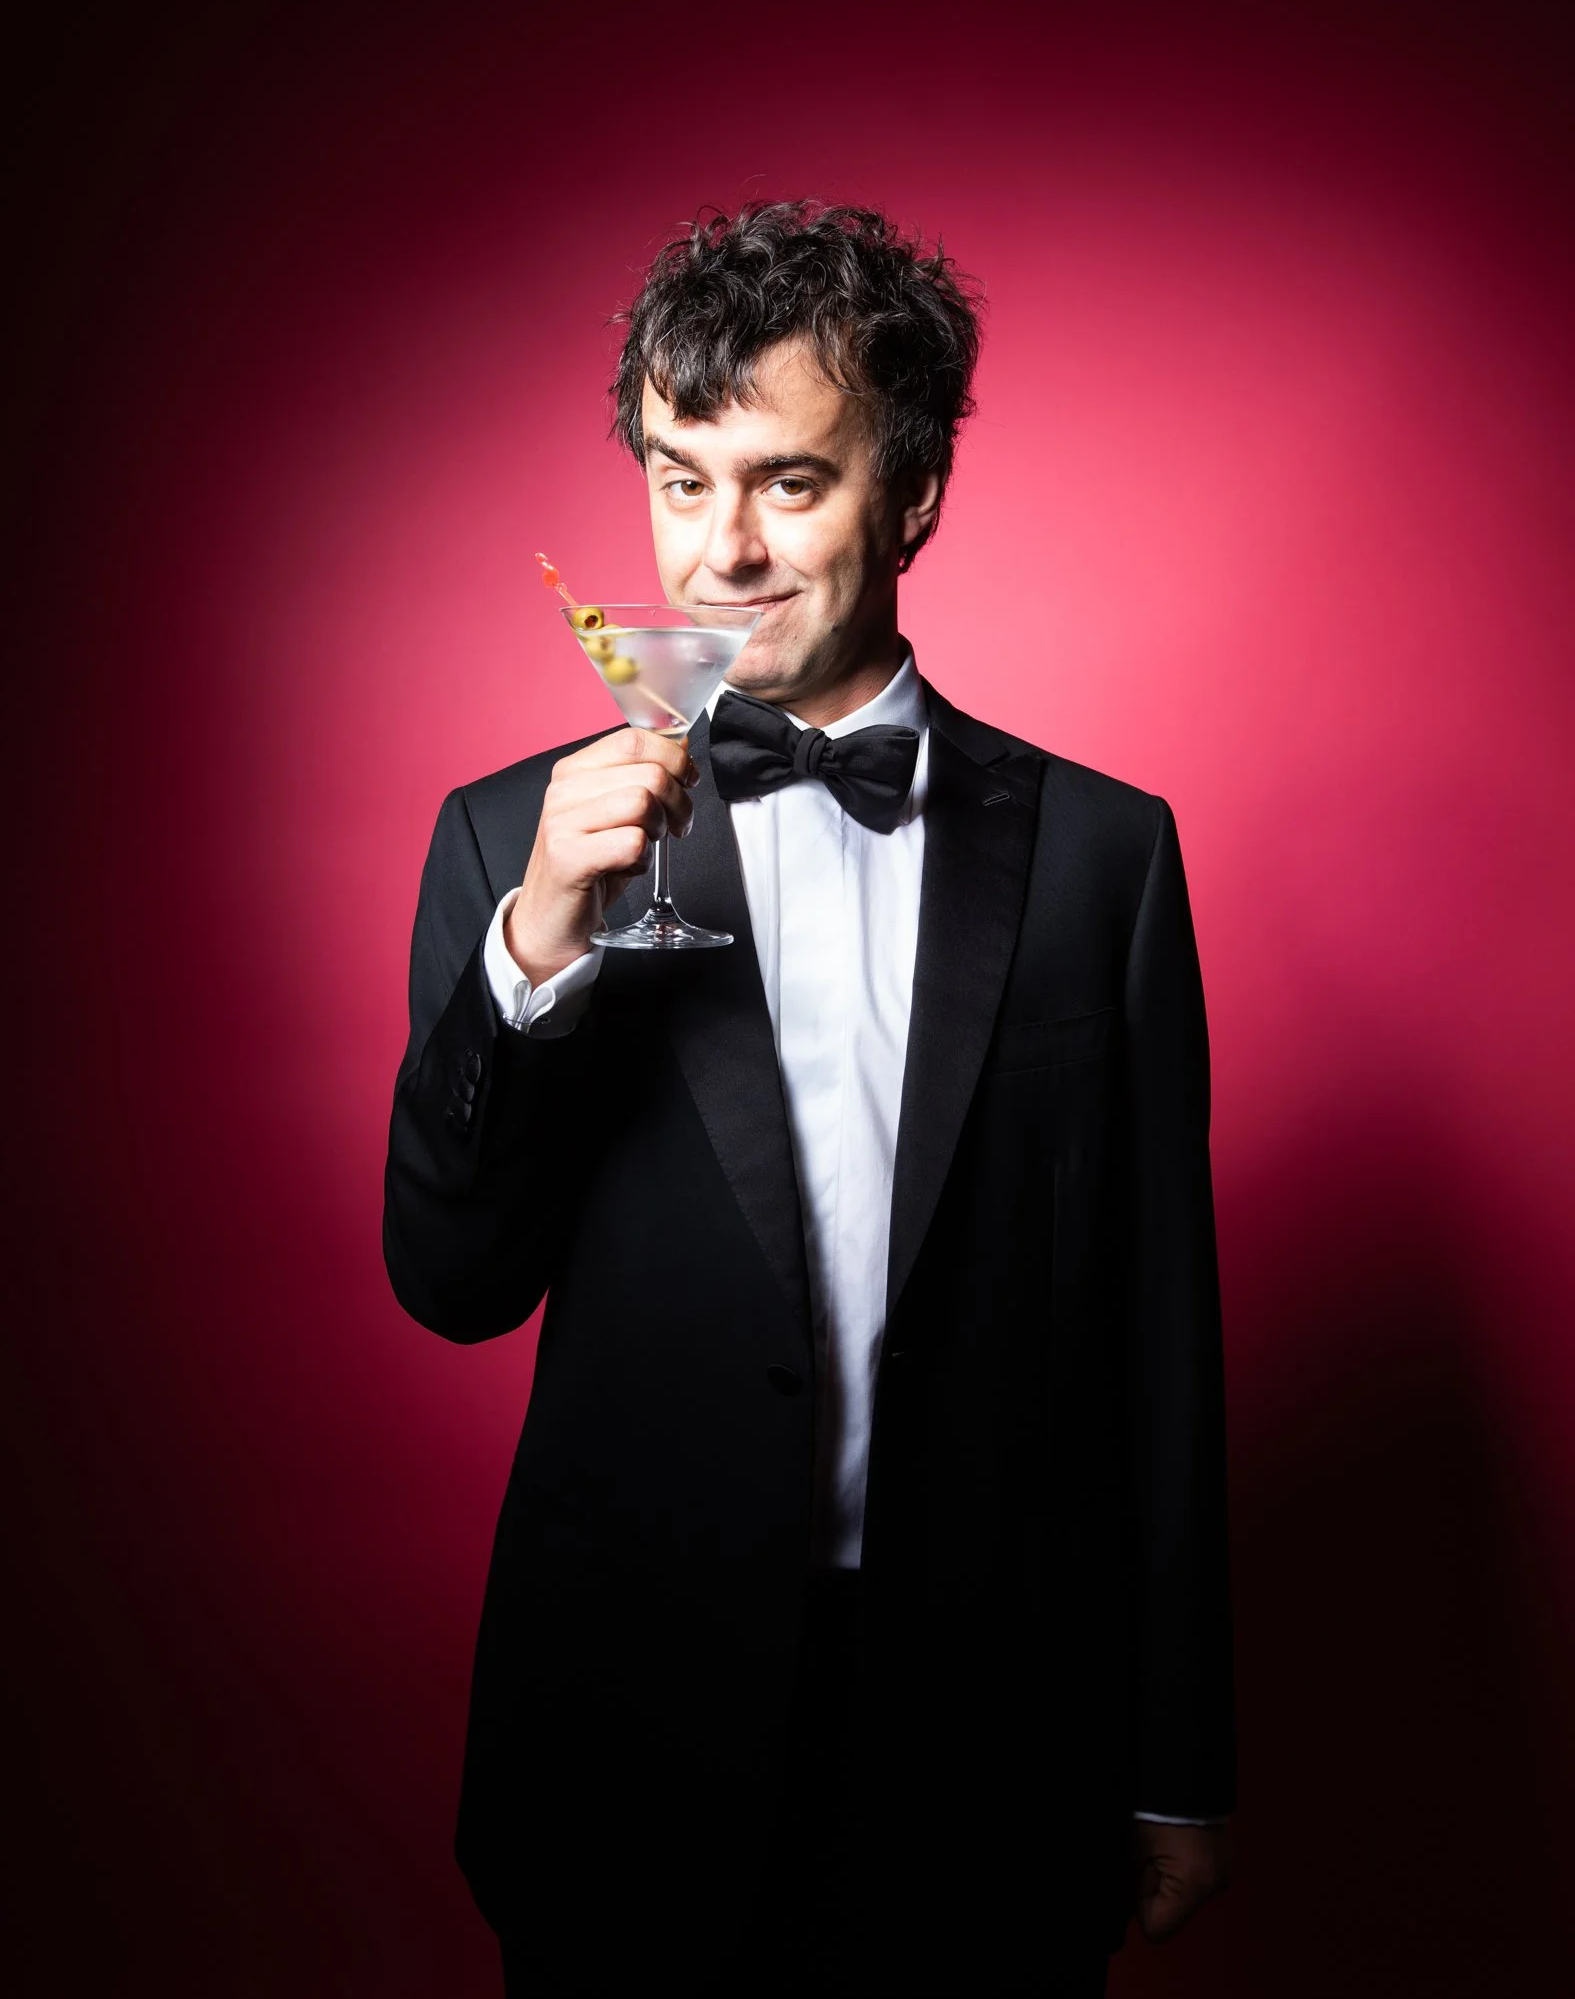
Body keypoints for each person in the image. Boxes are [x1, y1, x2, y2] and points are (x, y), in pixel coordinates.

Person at [383, 201, 1235, 1996]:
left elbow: (1163, 1343)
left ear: (911, 492)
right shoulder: (504, 838)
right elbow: (452, 1282)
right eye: (681, 483)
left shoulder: (1105, 857)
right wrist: (539, 948)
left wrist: (1174, 1765)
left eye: (788, 483)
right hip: (624, 1735)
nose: (721, 554)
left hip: (988, 1744)